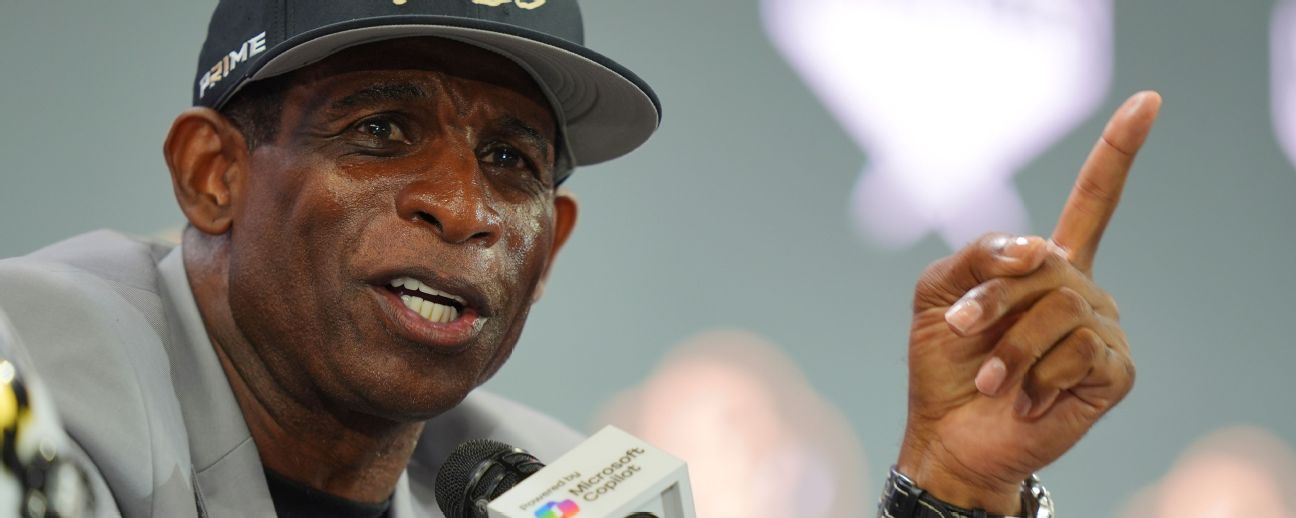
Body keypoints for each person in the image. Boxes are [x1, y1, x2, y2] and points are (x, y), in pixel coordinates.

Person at [0, 1, 1159, 517]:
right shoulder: (33, 381)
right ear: (213, 173)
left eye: (511, 160)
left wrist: (956, 487)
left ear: (548, 247)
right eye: (382, 129)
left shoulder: (540, 485)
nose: (464, 207)